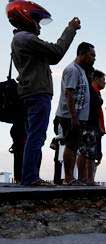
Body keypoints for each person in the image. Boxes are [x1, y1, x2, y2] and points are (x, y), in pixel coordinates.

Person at [8, 0, 81, 186]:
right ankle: (30, 177)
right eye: (36, 19)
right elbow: (56, 53)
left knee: (33, 135)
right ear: (25, 17)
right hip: (37, 92)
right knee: (36, 135)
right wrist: (70, 29)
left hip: (28, 92)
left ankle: (29, 176)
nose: (38, 24)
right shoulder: (27, 39)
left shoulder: (19, 39)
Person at [54, 42, 95, 185]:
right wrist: (74, 117)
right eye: (91, 55)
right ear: (82, 54)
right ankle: (68, 178)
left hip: (78, 116)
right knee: (71, 145)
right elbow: (69, 94)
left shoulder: (82, 70)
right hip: (69, 116)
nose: (94, 58)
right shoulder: (72, 70)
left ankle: (70, 177)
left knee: (74, 145)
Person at [87, 69, 106, 185]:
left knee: (95, 154)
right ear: (96, 79)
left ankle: (90, 178)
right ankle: (88, 179)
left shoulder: (97, 92)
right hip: (92, 126)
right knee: (90, 153)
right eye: (103, 80)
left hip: (97, 128)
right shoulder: (91, 91)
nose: (105, 82)